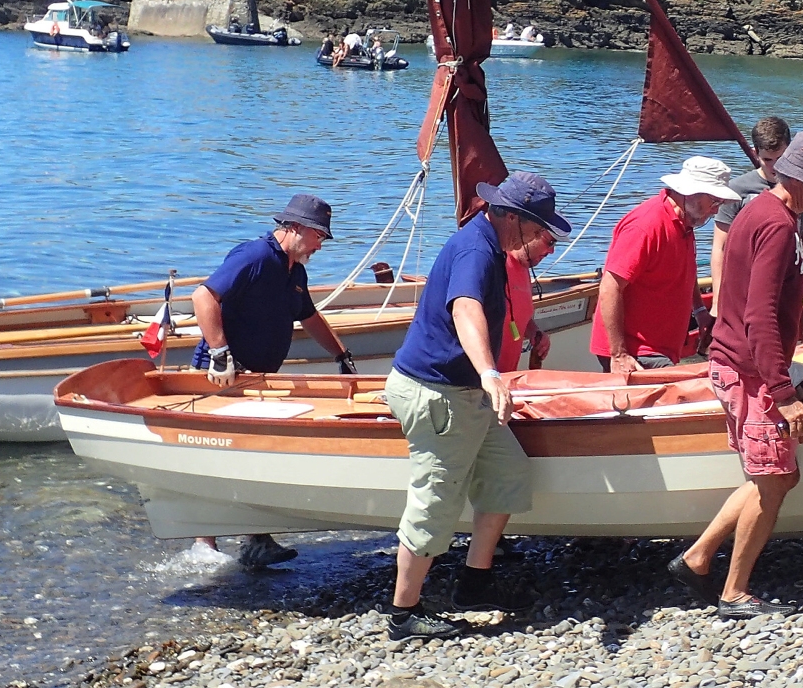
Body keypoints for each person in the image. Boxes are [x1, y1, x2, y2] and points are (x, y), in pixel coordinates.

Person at [384, 172, 571, 642]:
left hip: (464, 395)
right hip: (438, 393)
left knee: (509, 474)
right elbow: (465, 308)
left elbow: (495, 313)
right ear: (511, 217)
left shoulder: (491, 246)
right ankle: (403, 614)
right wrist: (491, 374)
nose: (536, 238)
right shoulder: (476, 250)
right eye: (535, 228)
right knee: (435, 503)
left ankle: (474, 583)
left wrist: (511, 350)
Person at [670, 132, 803, 619]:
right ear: (800, 179)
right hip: (750, 372)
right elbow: (761, 315)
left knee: (770, 477)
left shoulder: (760, 211)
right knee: (775, 479)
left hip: (734, 364)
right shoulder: (776, 226)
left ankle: (698, 558)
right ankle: (734, 592)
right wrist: (783, 391)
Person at [189, 194, 356, 568]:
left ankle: (257, 540)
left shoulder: (295, 271)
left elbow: (310, 318)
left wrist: (341, 356)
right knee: (212, 453)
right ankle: (204, 541)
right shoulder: (255, 257)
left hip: (260, 379)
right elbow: (203, 297)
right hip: (221, 374)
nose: (321, 244)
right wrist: (219, 352)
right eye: (318, 236)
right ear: (294, 228)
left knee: (253, 454)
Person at [590, 157, 740, 372]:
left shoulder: (685, 223)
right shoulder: (646, 225)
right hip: (637, 350)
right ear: (691, 193)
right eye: (714, 201)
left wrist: (699, 311)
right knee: (689, 394)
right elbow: (610, 286)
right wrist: (619, 354)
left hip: (659, 348)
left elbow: (686, 271)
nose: (716, 210)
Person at [711, 117, 803, 342]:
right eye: (767, 160)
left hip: (788, 292)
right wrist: (717, 301)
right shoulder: (737, 191)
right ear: (755, 153)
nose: (775, 167)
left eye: (781, 159)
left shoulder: (802, 192)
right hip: (743, 294)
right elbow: (720, 247)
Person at [496, 225, 557, 373]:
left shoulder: (524, 266)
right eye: (549, 242)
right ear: (531, 232)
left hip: (504, 380)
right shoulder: (495, 263)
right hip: (479, 383)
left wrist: (534, 333)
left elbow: (515, 315)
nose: (551, 251)